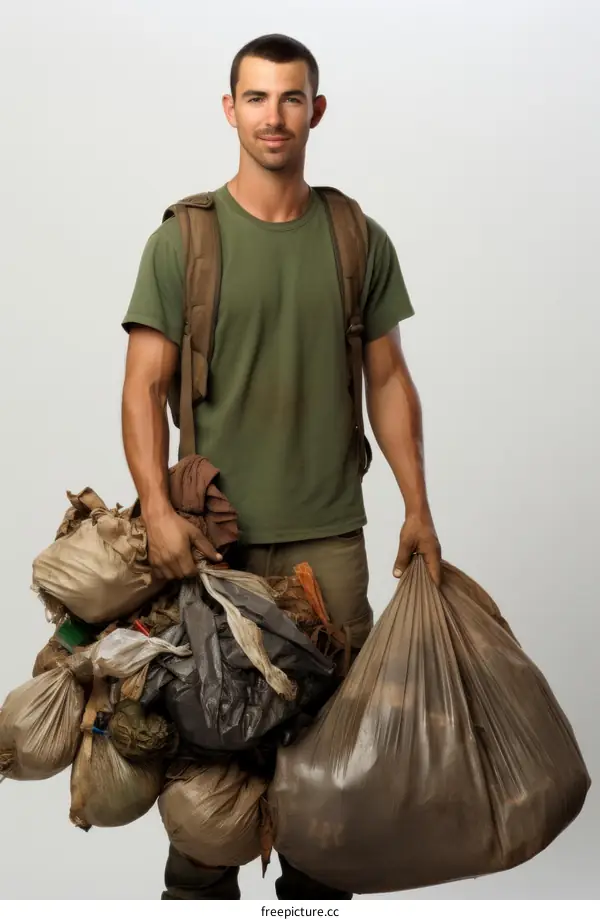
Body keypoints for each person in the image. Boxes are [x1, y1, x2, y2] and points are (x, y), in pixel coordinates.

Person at [121, 32, 442, 901]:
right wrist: (156, 505)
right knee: (208, 789)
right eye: (256, 98)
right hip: (215, 551)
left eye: (291, 98)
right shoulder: (182, 241)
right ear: (230, 110)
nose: (274, 116)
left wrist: (417, 506)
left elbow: (389, 378)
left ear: (316, 111)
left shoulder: (354, 237)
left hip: (330, 545)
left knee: (328, 793)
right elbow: (142, 386)